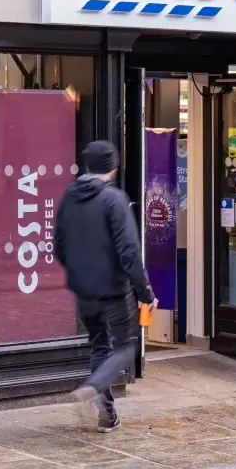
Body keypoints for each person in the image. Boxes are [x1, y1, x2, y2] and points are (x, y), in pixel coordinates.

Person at [54, 140, 157, 433]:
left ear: (87, 166)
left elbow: (59, 245)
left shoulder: (68, 198)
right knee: (126, 347)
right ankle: (92, 386)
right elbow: (129, 252)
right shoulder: (114, 200)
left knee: (100, 346)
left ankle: (106, 416)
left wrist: (79, 272)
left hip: (83, 290)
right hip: (114, 290)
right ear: (113, 166)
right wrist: (145, 293)